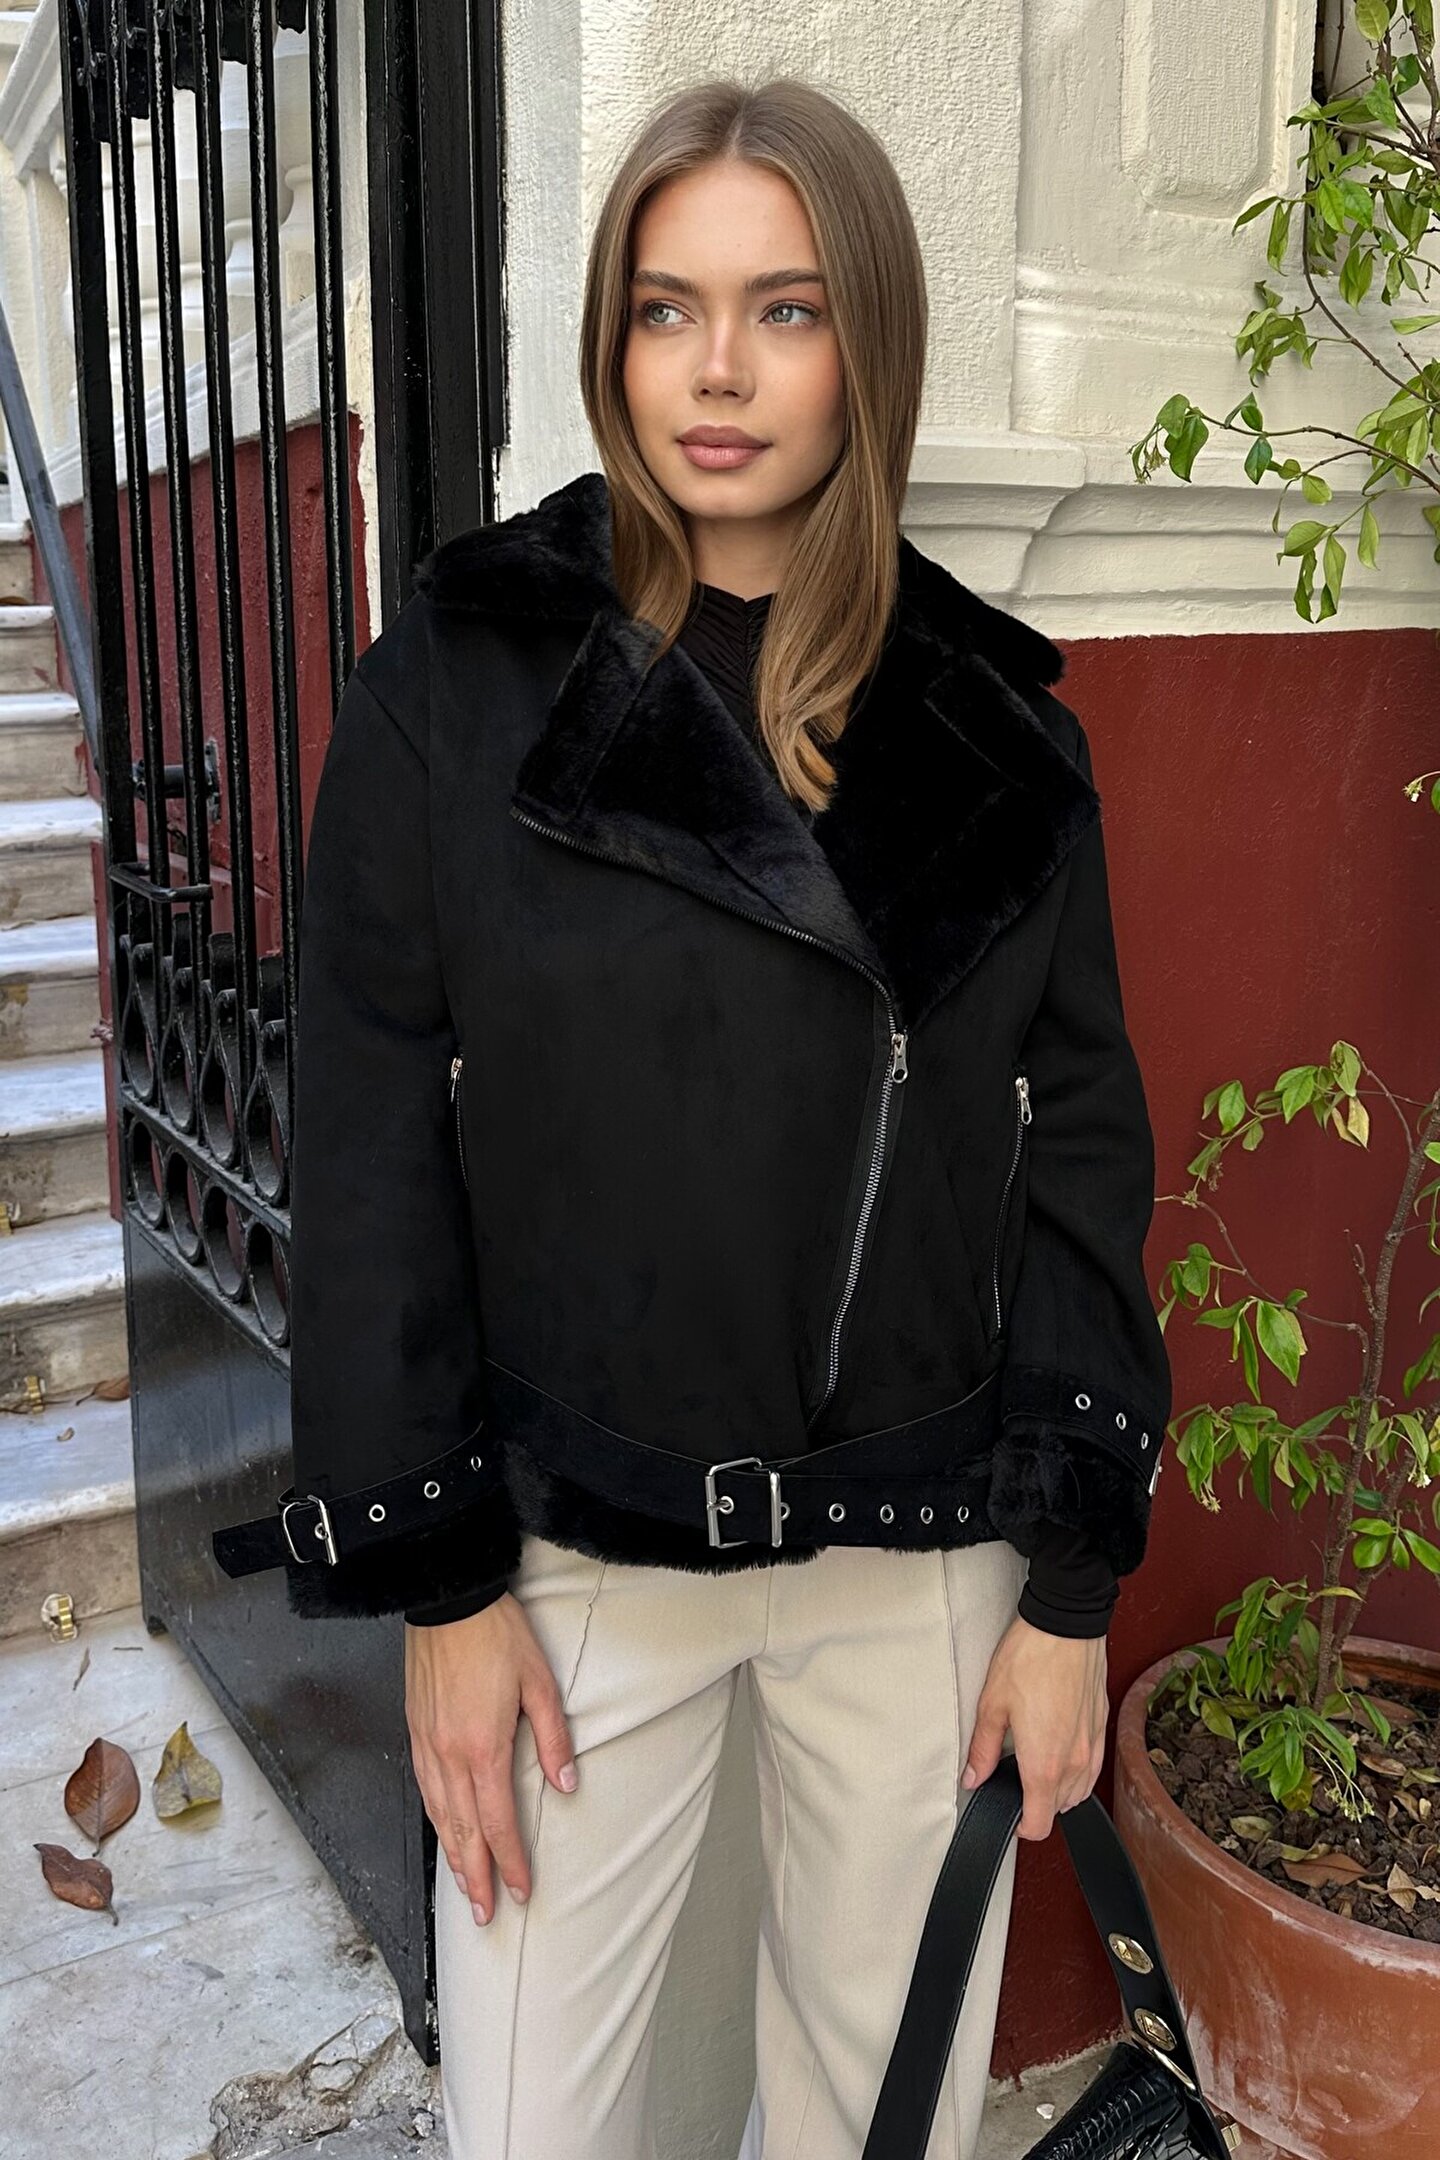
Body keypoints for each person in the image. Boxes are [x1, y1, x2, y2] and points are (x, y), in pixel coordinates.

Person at [214, 74, 1170, 2160]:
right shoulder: (466, 676)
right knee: (537, 2121)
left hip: (919, 1555)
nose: (716, 370)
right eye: (667, 307)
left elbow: (1085, 1141)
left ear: (867, 342)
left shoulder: (987, 730)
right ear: (612, 336)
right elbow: (364, 1130)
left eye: (784, 309)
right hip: (574, 1554)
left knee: (877, 2113)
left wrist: (1068, 1594)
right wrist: (441, 1587)